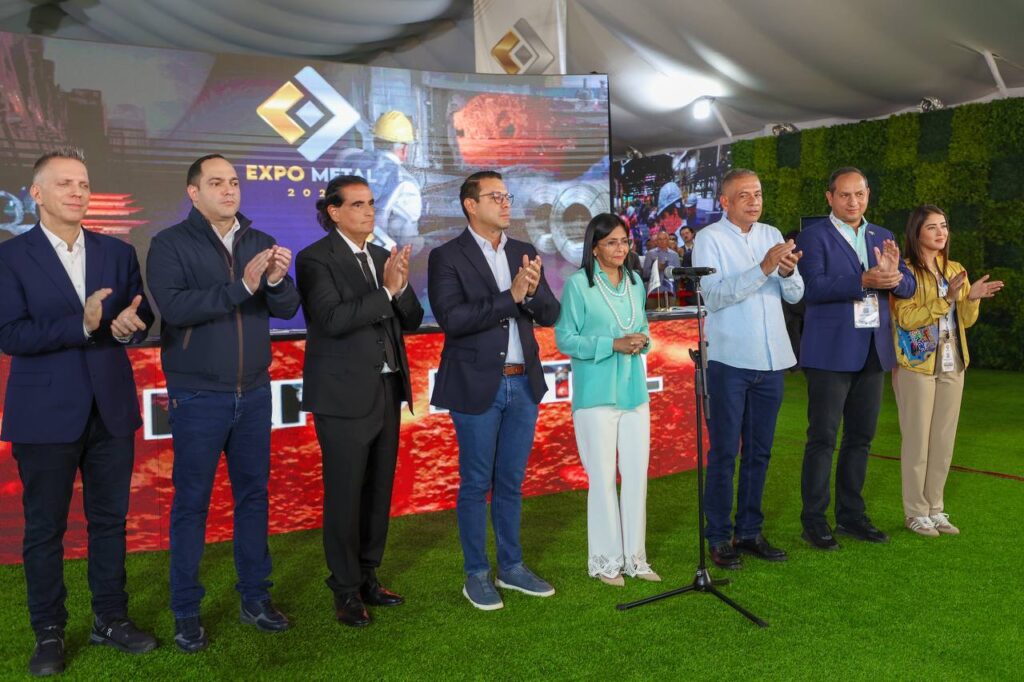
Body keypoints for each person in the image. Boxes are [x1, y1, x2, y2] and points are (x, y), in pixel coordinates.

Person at [0, 148, 157, 676]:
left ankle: (110, 619)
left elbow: (139, 314)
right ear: (36, 194)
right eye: (65, 183)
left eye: (84, 184)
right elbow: (9, 334)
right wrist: (83, 325)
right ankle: (48, 631)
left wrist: (128, 326)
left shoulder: (117, 252)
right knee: (45, 530)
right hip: (44, 414)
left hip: (110, 409)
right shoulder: (10, 257)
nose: (77, 192)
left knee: (109, 522)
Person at [146, 154, 301, 651]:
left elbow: (287, 307)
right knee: (191, 504)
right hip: (197, 394)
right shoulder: (169, 243)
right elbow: (176, 308)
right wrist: (243, 287)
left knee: (253, 498)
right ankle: (186, 611)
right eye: (216, 183)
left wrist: (274, 281)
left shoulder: (259, 240)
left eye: (233, 182)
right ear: (194, 193)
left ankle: (255, 598)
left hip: (253, 392)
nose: (229, 190)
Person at [427, 170, 560, 611]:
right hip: (476, 384)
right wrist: (511, 296)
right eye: (495, 196)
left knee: (510, 482)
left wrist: (532, 293)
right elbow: (453, 319)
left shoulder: (523, 251)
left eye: (507, 196)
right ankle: (477, 574)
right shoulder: (447, 256)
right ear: (470, 204)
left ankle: (512, 567)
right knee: (475, 483)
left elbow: (550, 314)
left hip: (523, 382)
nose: (505, 203)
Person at [296, 175, 424, 627]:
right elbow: (331, 319)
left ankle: (369, 575)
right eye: (357, 204)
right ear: (334, 212)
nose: (369, 211)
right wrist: (386, 292)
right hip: (342, 396)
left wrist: (400, 289)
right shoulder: (315, 258)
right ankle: (345, 588)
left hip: (387, 390)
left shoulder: (382, 256)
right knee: (346, 494)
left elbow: (412, 319)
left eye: (371, 203)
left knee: (378, 490)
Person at [796, 167, 916, 550]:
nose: (853, 202)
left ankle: (851, 516)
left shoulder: (882, 235)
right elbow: (811, 288)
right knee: (823, 438)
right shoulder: (813, 236)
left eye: (859, 194)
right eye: (845, 195)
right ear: (829, 197)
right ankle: (814, 520)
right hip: (829, 353)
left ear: (868, 195)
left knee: (861, 438)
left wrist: (895, 277)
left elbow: (908, 285)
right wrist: (863, 280)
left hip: (872, 351)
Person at [692, 169, 804, 569]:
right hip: (728, 360)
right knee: (724, 452)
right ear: (725, 202)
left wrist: (786, 272)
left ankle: (750, 531)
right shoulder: (709, 239)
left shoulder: (771, 233)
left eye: (758, 193)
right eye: (744, 195)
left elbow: (796, 294)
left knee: (760, 452)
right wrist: (763, 268)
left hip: (772, 360)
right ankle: (719, 536)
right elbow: (713, 296)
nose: (754, 201)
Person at [555, 213, 659, 586]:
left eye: (624, 241)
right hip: (596, 395)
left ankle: (635, 559)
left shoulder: (634, 282)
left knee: (636, 476)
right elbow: (565, 339)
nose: (620, 248)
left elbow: (642, 326)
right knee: (601, 478)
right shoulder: (578, 285)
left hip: (634, 392)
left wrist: (642, 340)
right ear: (595, 247)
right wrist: (611, 344)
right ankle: (605, 561)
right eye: (611, 242)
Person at [891, 205, 1003, 536]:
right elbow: (906, 318)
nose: (941, 233)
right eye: (932, 227)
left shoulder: (956, 269)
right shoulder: (905, 271)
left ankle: (935, 508)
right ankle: (915, 512)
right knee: (917, 440)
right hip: (917, 364)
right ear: (917, 232)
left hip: (953, 361)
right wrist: (947, 299)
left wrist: (971, 299)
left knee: (943, 440)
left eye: (944, 226)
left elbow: (965, 321)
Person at [641, 231, 680, 307]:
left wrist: (669, 271)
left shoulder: (674, 255)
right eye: (660, 239)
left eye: (664, 239)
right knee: (653, 313)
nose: (662, 241)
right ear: (656, 241)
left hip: (670, 291)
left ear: (668, 240)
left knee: (671, 313)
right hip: (654, 292)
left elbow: (678, 275)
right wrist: (656, 269)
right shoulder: (650, 254)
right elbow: (645, 274)